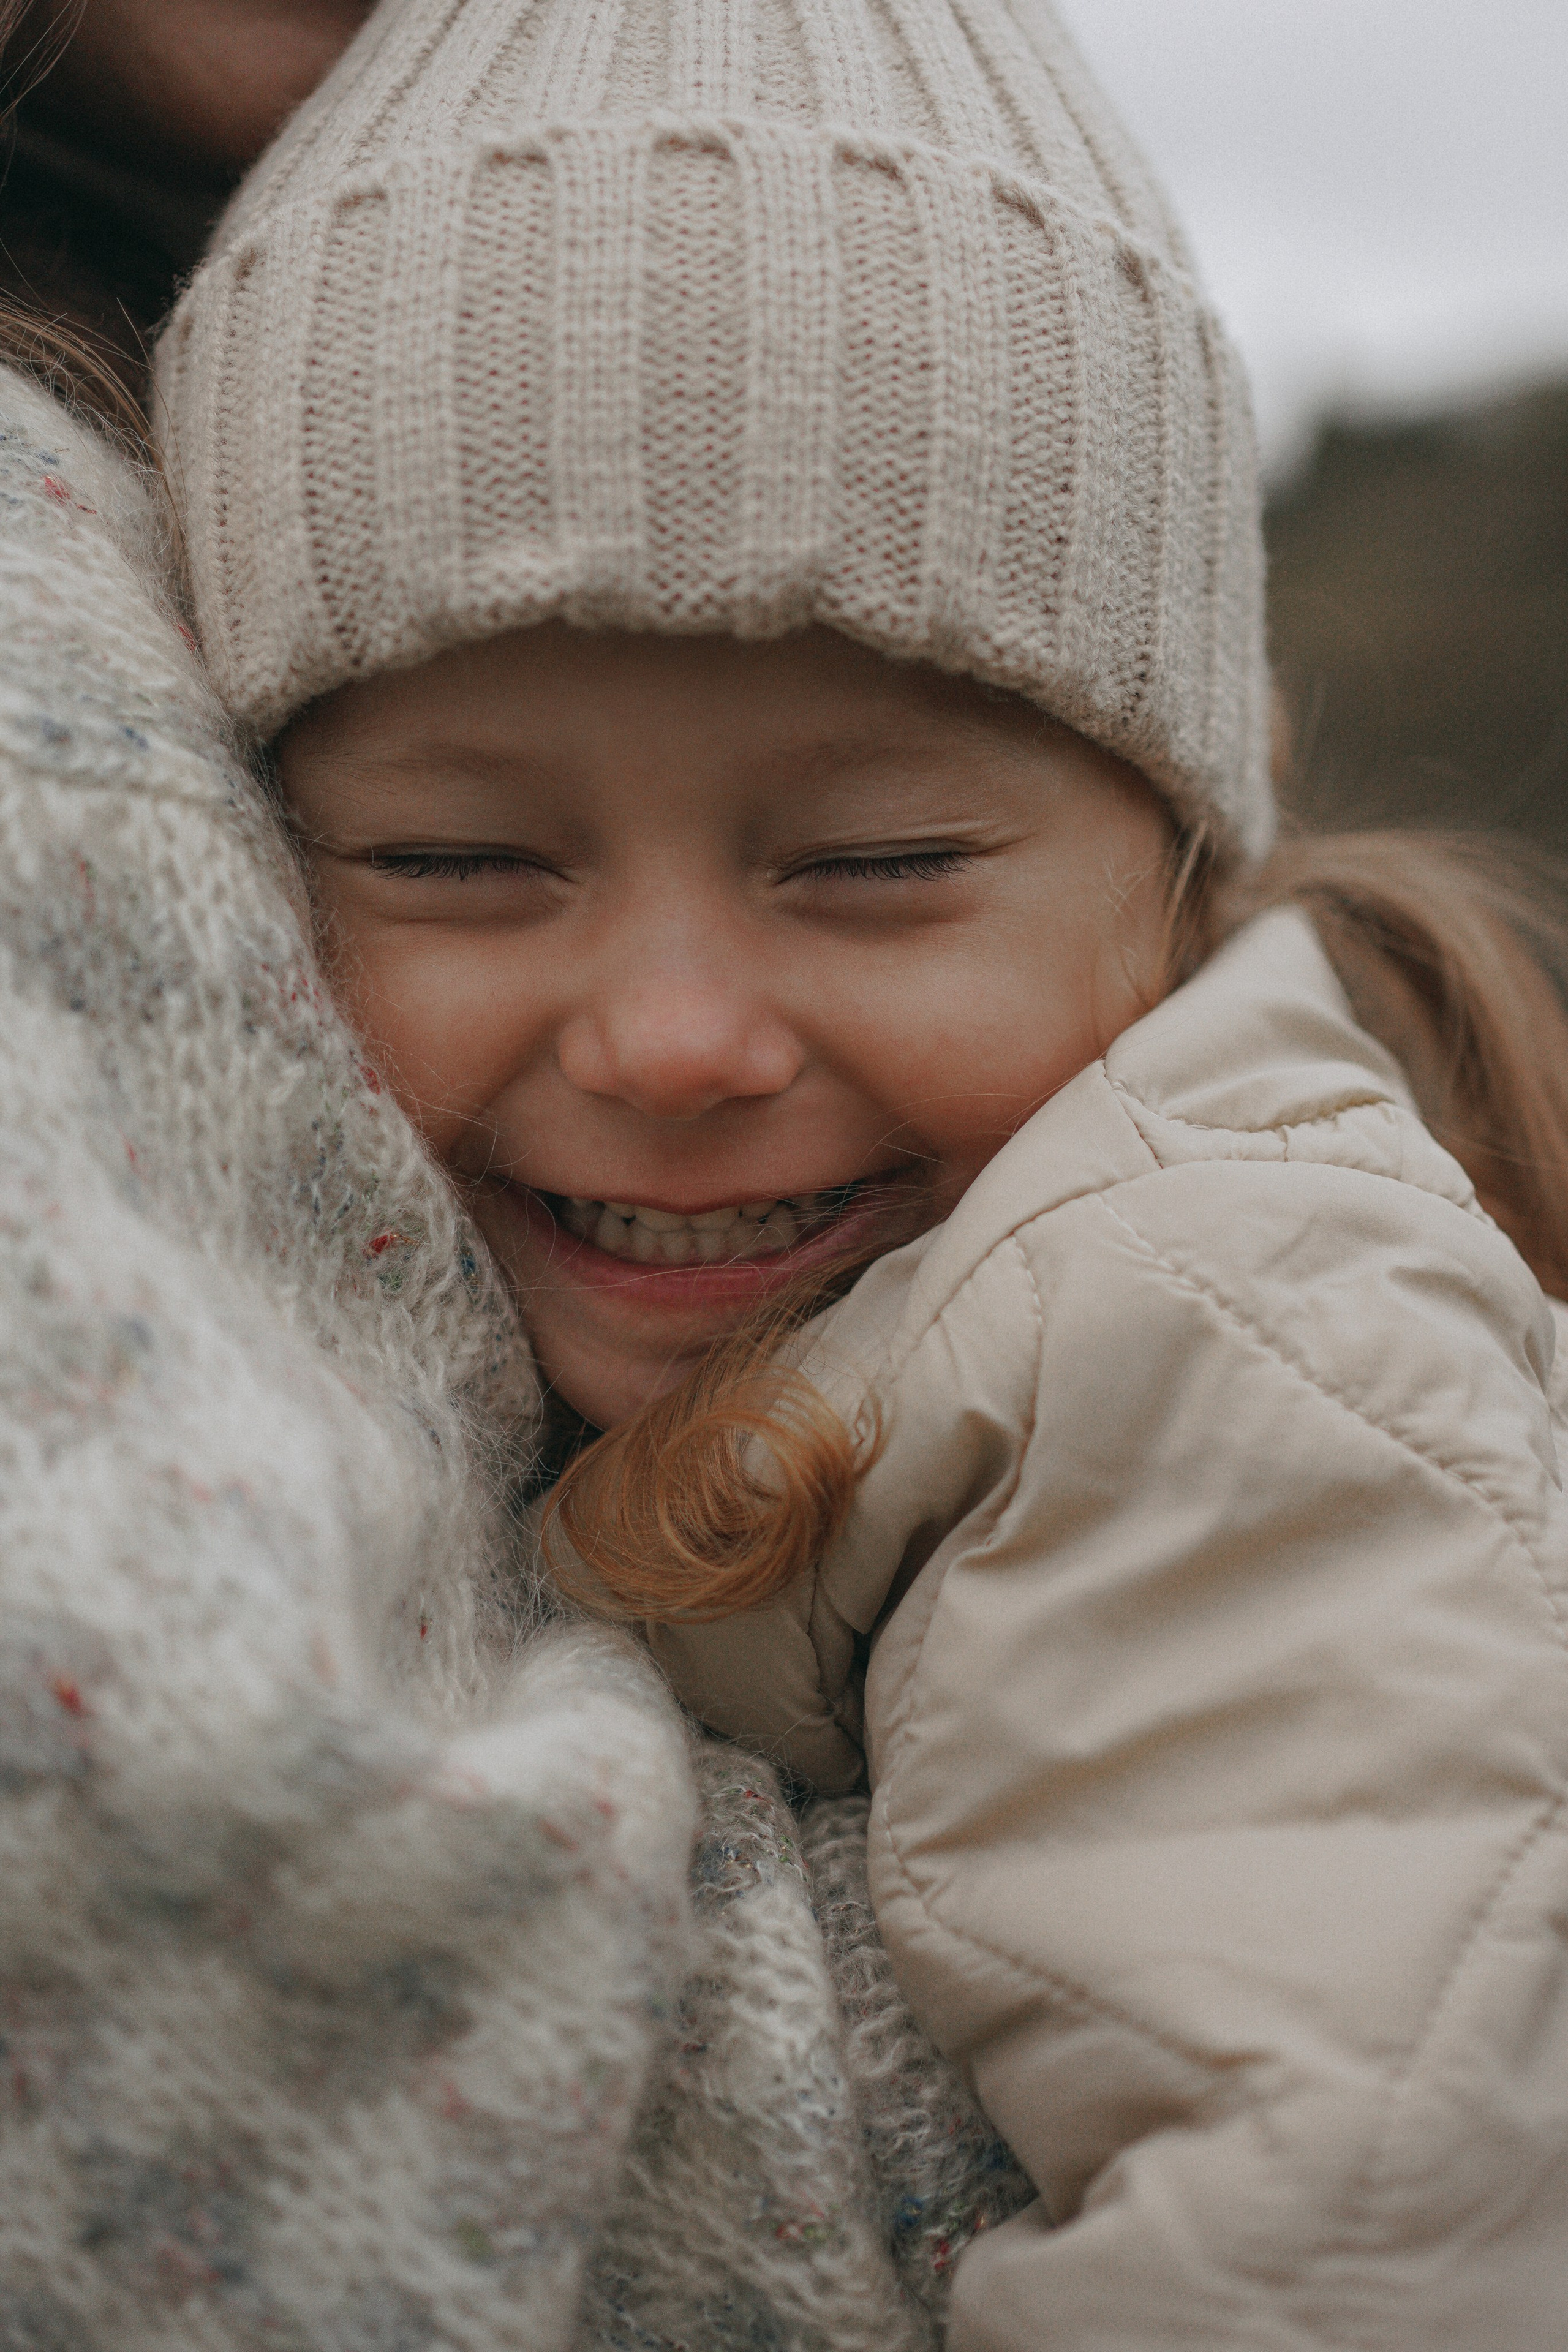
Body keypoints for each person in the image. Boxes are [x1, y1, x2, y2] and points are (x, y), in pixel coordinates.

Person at [151, 0, 1568, 2345]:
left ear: (1195, 844)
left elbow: (1388, 2220)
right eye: (460, 858)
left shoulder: (1219, 1343)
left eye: (880, 863)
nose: (676, 1039)